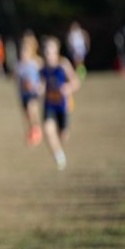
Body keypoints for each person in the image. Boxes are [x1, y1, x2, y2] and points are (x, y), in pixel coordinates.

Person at [39, 35, 80, 170]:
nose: (47, 54)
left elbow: (76, 82)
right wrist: (40, 88)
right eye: (45, 51)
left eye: (50, 51)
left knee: (63, 135)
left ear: (56, 51)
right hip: (49, 104)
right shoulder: (43, 68)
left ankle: (59, 150)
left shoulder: (63, 65)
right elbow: (42, 83)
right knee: (47, 129)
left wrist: (68, 88)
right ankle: (58, 156)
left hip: (63, 105)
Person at [14, 31, 43, 146]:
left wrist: (40, 86)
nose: (23, 53)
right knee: (27, 115)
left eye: (25, 51)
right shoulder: (19, 65)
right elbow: (15, 79)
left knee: (32, 110)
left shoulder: (36, 63)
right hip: (23, 94)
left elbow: (43, 76)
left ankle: (36, 130)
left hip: (33, 92)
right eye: (22, 51)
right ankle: (33, 130)